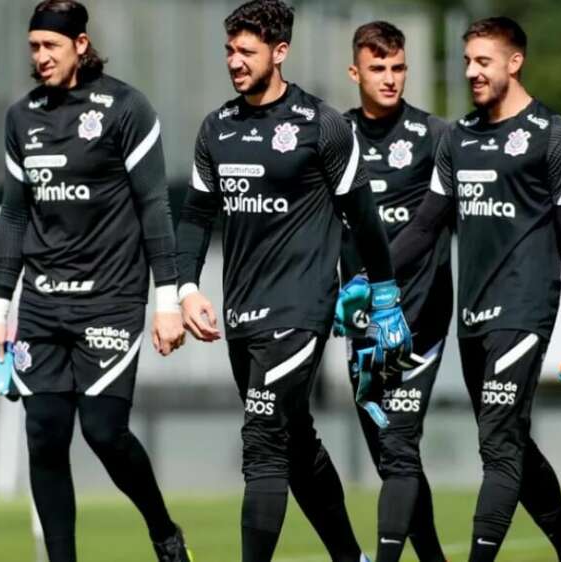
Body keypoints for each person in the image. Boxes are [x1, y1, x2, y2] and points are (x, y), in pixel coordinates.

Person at [174, 2, 412, 561]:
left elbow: (364, 216)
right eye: (229, 50)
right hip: (240, 314)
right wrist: (185, 287)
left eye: (246, 52)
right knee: (294, 440)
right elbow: (194, 219)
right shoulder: (216, 129)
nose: (234, 61)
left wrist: (384, 297)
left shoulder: (321, 125)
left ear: (280, 53)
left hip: (300, 311)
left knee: (261, 444)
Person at [388, 16, 561, 562]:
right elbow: (424, 227)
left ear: (514, 63)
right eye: (467, 61)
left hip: (524, 309)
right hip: (471, 318)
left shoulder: (554, 137)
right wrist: (369, 279)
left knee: (497, 449)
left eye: (482, 61)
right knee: (511, 442)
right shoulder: (458, 139)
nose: (471, 71)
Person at [0, 1, 191, 560]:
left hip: (111, 300)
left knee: (103, 431)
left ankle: (164, 532)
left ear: (80, 43)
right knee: (44, 433)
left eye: (51, 45)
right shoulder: (21, 117)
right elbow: (14, 217)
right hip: (44, 304)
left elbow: (154, 206)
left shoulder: (125, 108)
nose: (40, 57)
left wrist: (166, 299)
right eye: (33, 47)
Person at [339, 20, 450, 562]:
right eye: (378, 68)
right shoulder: (333, 136)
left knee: (401, 445)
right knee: (390, 456)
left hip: (417, 323)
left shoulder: (435, 137)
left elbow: (434, 226)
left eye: (398, 67)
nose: (390, 78)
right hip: (358, 328)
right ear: (354, 72)